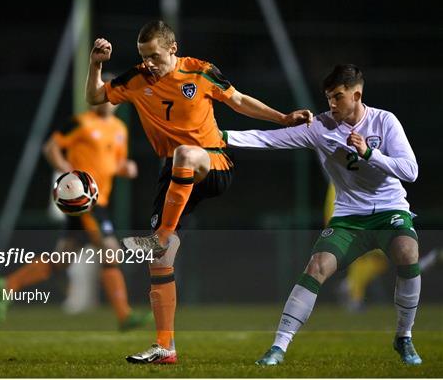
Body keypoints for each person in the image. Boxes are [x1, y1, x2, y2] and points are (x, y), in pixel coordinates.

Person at [85, 20, 312, 364]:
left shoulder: (199, 72)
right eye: (144, 57)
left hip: (213, 162)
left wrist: (282, 118)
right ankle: (166, 347)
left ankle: (161, 234)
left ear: (173, 49)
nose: (149, 63)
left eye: (155, 56)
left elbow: (237, 101)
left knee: (185, 155)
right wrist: (96, 64)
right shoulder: (135, 80)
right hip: (174, 173)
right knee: (160, 260)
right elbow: (94, 96)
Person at [224, 64, 423, 366]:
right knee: (316, 266)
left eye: (338, 97)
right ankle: (278, 346)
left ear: (357, 94)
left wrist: (370, 154)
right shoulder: (321, 127)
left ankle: (404, 337)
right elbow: (269, 139)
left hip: (389, 210)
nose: (332, 104)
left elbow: (410, 171)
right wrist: (219, 135)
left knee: (408, 253)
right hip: (349, 216)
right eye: (329, 97)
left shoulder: (385, 122)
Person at [0, 99, 151, 331]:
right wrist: (68, 173)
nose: (109, 101)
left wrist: (124, 168)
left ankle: (9, 284)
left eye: (113, 96)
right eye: (104, 95)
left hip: (100, 201)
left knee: (62, 259)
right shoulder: (80, 122)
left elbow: (113, 162)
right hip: (84, 201)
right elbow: (51, 148)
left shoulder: (119, 129)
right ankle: (123, 315)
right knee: (111, 251)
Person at [325, 183, 443, 311]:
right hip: (348, 204)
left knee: (377, 259)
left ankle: (350, 287)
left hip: (357, 203)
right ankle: (354, 295)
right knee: (371, 256)